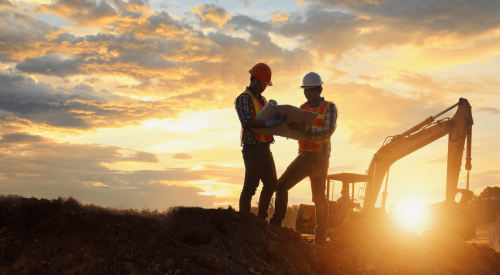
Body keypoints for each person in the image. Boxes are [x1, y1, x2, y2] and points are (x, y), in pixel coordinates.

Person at [269, 72, 338, 245]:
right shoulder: (302, 108)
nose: (308, 94)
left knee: (318, 197)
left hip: (320, 158)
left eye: (311, 90)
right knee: (281, 186)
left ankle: (321, 236)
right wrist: (289, 129)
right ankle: (276, 226)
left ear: (320, 89)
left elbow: (328, 130)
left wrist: (305, 129)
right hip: (304, 155)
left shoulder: (329, 107)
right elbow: (298, 131)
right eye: (305, 90)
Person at [234, 63, 287, 220]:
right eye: (259, 83)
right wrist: (267, 124)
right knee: (251, 186)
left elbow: (266, 119)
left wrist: (277, 122)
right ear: (252, 79)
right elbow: (247, 121)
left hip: (264, 148)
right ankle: (244, 220)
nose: (261, 87)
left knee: (271, 184)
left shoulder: (263, 100)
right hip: (252, 148)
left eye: (264, 84)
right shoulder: (244, 98)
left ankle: (261, 219)